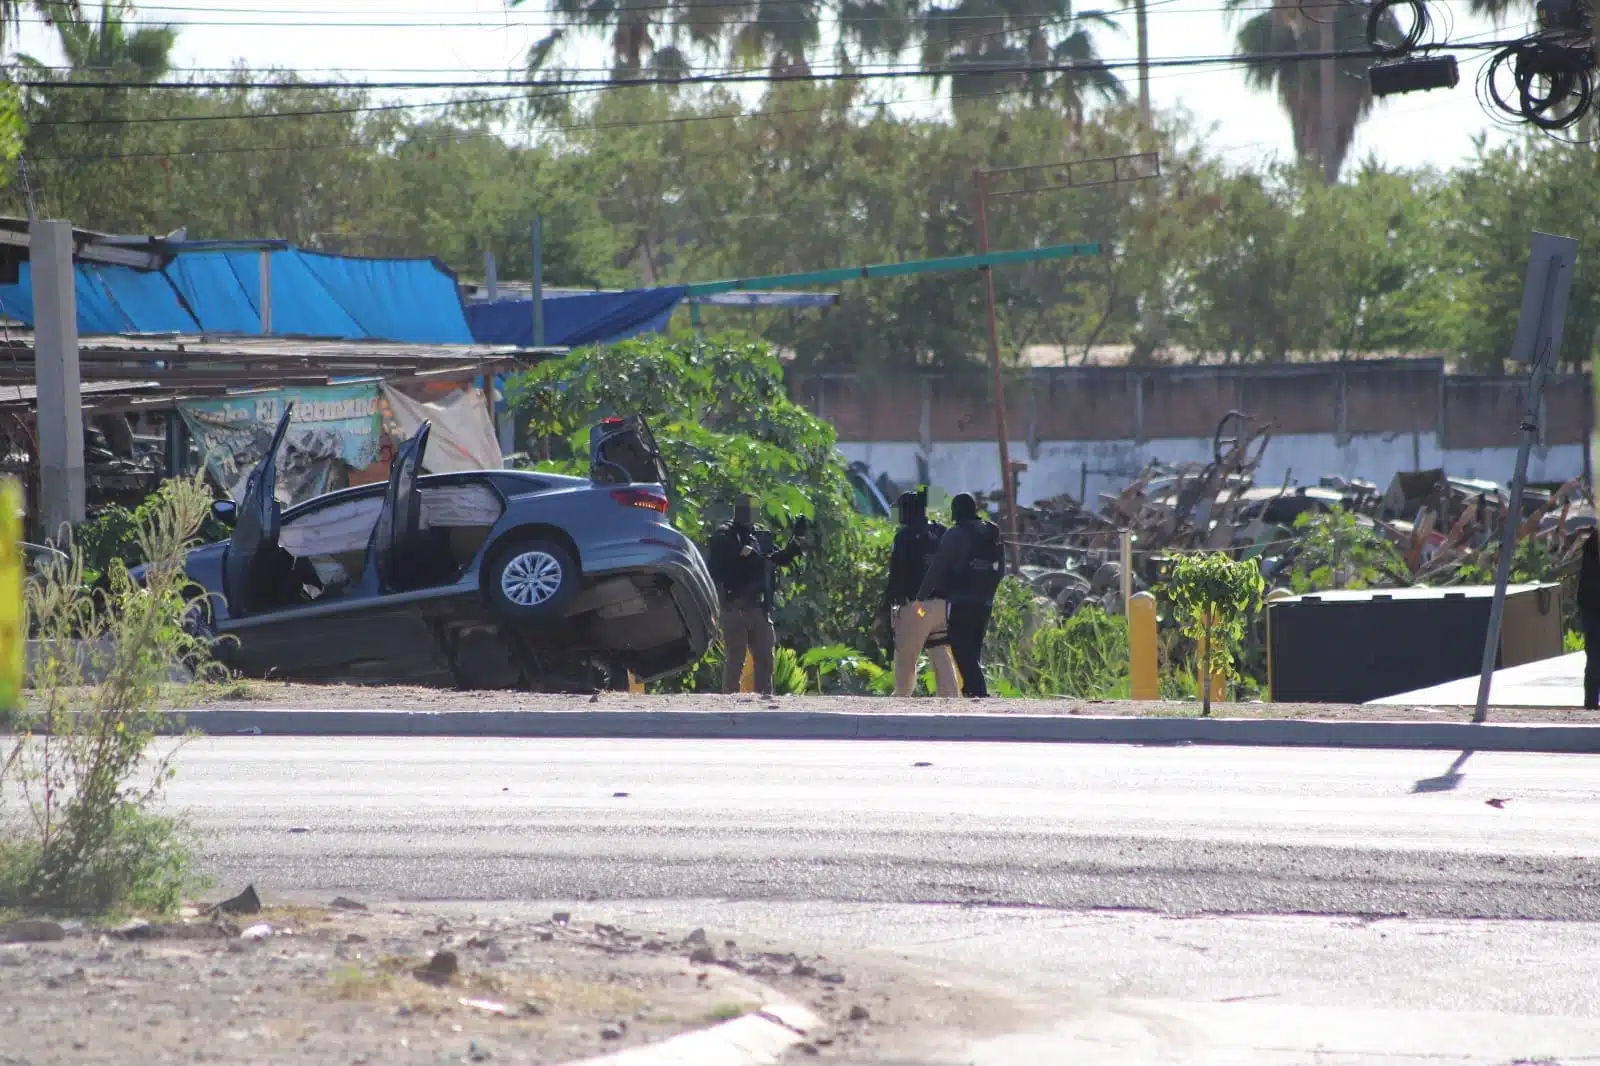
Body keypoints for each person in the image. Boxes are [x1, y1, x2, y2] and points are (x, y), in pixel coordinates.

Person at [707, 494, 808, 695]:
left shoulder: (761, 536)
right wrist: (740, 555)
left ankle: (764, 699)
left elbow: (779, 558)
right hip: (735, 605)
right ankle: (729, 701)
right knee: (735, 658)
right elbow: (718, 566)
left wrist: (795, 541)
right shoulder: (725, 535)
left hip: (759, 607)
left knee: (765, 658)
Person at [914, 492, 1004, 698]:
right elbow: (1001, 570)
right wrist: (988, 591)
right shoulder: (992, 532)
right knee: (973, 648)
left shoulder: (955, 534)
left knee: (960, 647)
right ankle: (971, 691)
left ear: (956, 511)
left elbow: (938, 567)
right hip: (985, 602)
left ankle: (979, 691)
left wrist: (922, 596)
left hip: (961, 601)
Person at [882, 488, 959, 697]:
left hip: (918, 608)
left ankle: (902, 696)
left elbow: (897, 575)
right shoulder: (942, 532)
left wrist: (887, 607)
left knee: (906, 655)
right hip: (942, 606)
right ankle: (950, 697)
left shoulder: (904, 537)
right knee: (940, 649)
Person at [1580, 529, 1600, 709]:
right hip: (1593, 608)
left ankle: (1592, 702)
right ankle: (1591, 702)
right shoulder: (1592, 546)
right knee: (1595, 656)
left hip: (1591, 606)